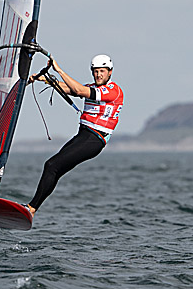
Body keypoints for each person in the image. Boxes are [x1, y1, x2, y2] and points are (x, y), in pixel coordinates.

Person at [23, 54, 124, 216]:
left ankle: (31, 208)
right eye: (96, 71)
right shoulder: (94, 87)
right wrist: (47, 80)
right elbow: (70, 89)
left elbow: (78, 90)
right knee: (53, 169)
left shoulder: (113, 90)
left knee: (52, 165)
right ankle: (31, 208)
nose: (98, 74)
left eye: (102, 71)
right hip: (83, 135)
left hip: (94, 139)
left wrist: (59, 70)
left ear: (110, 72)